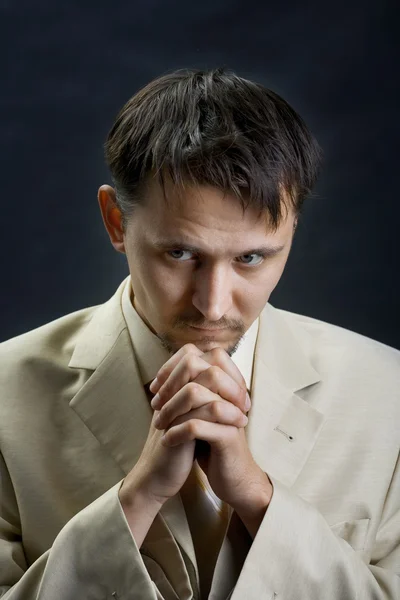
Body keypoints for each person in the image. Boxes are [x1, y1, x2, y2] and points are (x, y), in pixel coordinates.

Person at [0, 67, 399, 600]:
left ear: (293, 228)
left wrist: (260, 499)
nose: (212, 305)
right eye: (180, 253)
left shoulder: (389, 395)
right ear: (116, 221)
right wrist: (136, 499)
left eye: (252, 257)